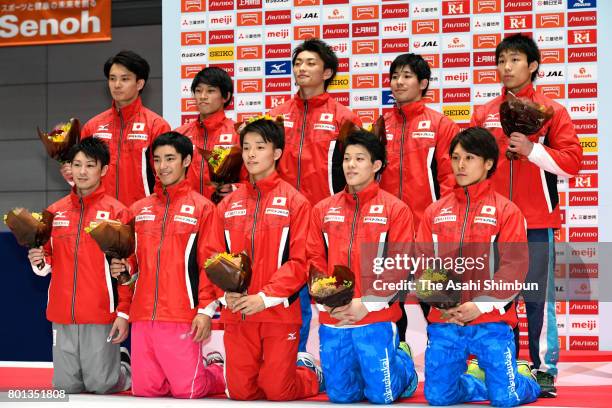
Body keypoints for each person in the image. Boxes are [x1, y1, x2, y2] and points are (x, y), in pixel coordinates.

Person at [470, 34, 583, 397]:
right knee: (493, 296)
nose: (506, 67)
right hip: (492, 224)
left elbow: (572, 164)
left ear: (533, 65)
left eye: (515, 59)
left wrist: (534, 149)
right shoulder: (483, 113)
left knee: (537, 300)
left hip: (537, 222)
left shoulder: (553, 112)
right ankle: (494, 363)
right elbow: (470, 167)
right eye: (501, 60)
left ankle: (544, 368)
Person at [416, 127, 541, 406]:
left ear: (488, 163)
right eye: (456, 157)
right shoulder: (434, 212)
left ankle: (525, 377)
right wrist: (441, 304)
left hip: (491, 322)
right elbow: (421, 265)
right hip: (445, 320)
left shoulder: (506, 211)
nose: (460, 165)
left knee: (505, 399)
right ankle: (476, 380)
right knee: (438, 397)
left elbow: (514, 267)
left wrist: (480, 305)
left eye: (469, 158)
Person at [206, 117, 322, 400]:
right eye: (246, 147)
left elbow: (301, 260)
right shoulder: (228, 204)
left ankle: (310, 371)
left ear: (278, 153)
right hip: (238, 313)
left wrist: (265, 297)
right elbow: (211, 255)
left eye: (260, 147)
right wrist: (224, 295)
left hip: (278, 314)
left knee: (278, 391)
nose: (251, 154)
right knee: (239, 393)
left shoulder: (295, 202)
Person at [110, 132, 225, 398]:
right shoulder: (137, 210)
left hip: (180, 315)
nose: (162, 166)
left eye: (170, 159)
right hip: (142, 317)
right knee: (146, 392)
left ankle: (217, 370)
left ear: (186, 160)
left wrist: (206, 311)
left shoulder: (203, 209)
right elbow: (130, 265)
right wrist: (124, 312)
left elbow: (210, 264)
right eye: (157, 160)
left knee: (189, 390)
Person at [306, 130, 418, 404]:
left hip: (375, 318)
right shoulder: (322, 209)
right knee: (341, 397)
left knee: (383, 396)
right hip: (334, 319)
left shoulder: (396, 209)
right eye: (346, 159)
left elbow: (400, 264)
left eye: (359, 159)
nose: (351, 165)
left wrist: (365, 304)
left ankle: (403, 362)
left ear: (376, 165)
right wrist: (328, 302)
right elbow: (313, 259)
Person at [269, 38, 362, 353]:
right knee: (291, 289)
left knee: (328, 288)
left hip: (328, 219)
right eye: (298, 63)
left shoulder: (344, 117)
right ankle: (296, 358)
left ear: (327, 72)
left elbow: (357, 172)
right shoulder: (277, 116)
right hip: (283, 218)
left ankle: (334, 358)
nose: (302, 68)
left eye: (310, 63)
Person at [27, 137, 131, 394]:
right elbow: (47, 261)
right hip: (62, 313)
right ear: (69, 169)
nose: (82, 171)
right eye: (77, 164)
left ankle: (124, 365)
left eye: (90, 165)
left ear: (103, 170)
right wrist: (39, 262)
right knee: (66, 386)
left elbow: (127, 269)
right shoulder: (54, 212)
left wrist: (123, 313)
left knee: (102, 384)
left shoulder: (118, 212)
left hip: (99, 312)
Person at [380, 53, 459, 342]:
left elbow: (451, 179)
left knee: (435, 300)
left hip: (429, 230)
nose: (399, 82)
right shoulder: (380, 125)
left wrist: (441, 222)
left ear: (423, 83)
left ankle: (448, 362)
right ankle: (396, 363)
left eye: (407, 76)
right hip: (389, 232)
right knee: (390, 302)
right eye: (395, 76)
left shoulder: (441, 124)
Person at [63, 50, 171, 207]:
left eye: (125, 79)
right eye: (112, 79)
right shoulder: (93, 126)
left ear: (139, 83)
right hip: (100, 216)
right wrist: (71, 173)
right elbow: (85, 174)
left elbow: (167, 176)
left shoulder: (157, 126)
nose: (117, 85)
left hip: (142, 216)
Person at [174, 67, 239, 200]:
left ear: (226, 96)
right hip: (187, 214)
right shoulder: (179, 134)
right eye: (198, 91)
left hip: (225, 213)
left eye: (210, 91)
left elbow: (252, 179)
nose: (203, 96)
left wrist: (235, 188)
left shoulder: (238, 134)